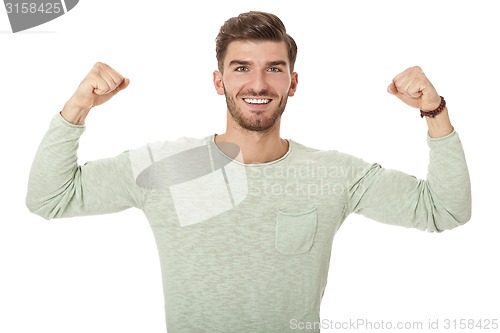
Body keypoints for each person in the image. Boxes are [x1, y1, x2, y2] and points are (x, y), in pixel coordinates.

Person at [26, 11, 471, 333]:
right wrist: (78, 106)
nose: (258, 84)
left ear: (292, 83)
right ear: (219, 81)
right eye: (242, 68)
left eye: (273, 69)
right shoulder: (170, 168)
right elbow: (50, 198)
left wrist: (434, 111)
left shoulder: (332, 174)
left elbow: (444, 210)